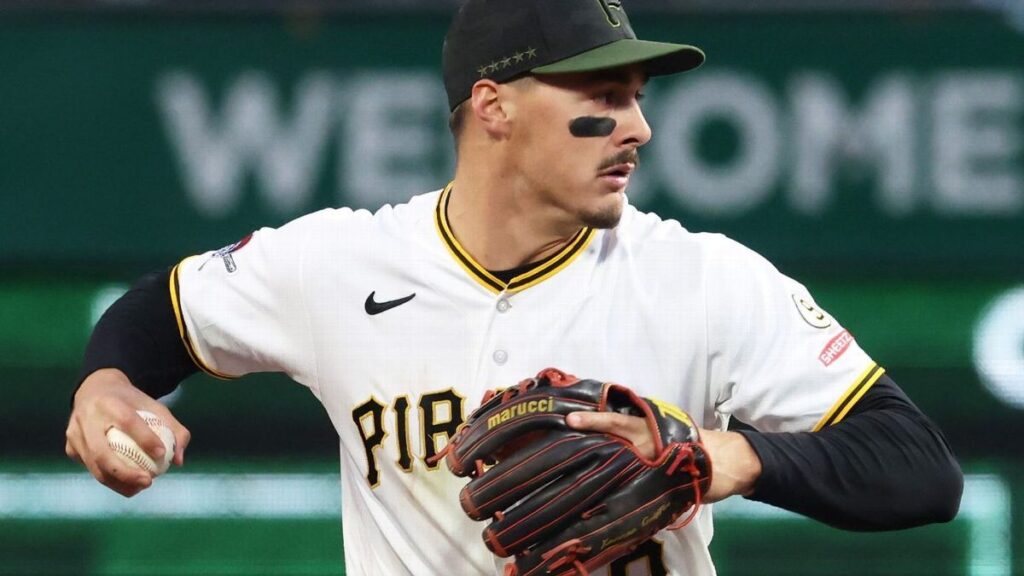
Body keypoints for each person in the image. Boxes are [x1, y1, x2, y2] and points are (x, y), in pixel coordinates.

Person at [65, 0, 964, 574]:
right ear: (493, 106)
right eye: (604, 97)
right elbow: (161, 315)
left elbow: (921, 471)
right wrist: (107, 381)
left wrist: (727, 457)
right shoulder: (337, 264)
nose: (640, 127)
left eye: (639, 96)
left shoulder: (703, 279)